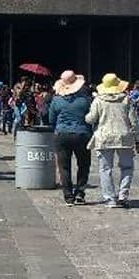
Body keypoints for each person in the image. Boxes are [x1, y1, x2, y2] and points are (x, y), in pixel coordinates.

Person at [86, 73, 139, 209]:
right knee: (127, 167)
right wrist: (138, 140)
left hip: (104, 137)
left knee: (105, 169)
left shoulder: (99, 100)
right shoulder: (126, 100)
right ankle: (123, 196)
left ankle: (110, 198)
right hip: (124, 137)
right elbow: (134, 122)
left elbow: (91, 118)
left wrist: (86, 117)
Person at [49, 70, 93, 206]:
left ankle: (68, 196)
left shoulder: (56, 100)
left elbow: (51, 119)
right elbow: (91, 118)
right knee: (84, 164)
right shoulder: (85, 100)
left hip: (62, 134)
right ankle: (80, 193)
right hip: (82, 134)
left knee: (64, 166)